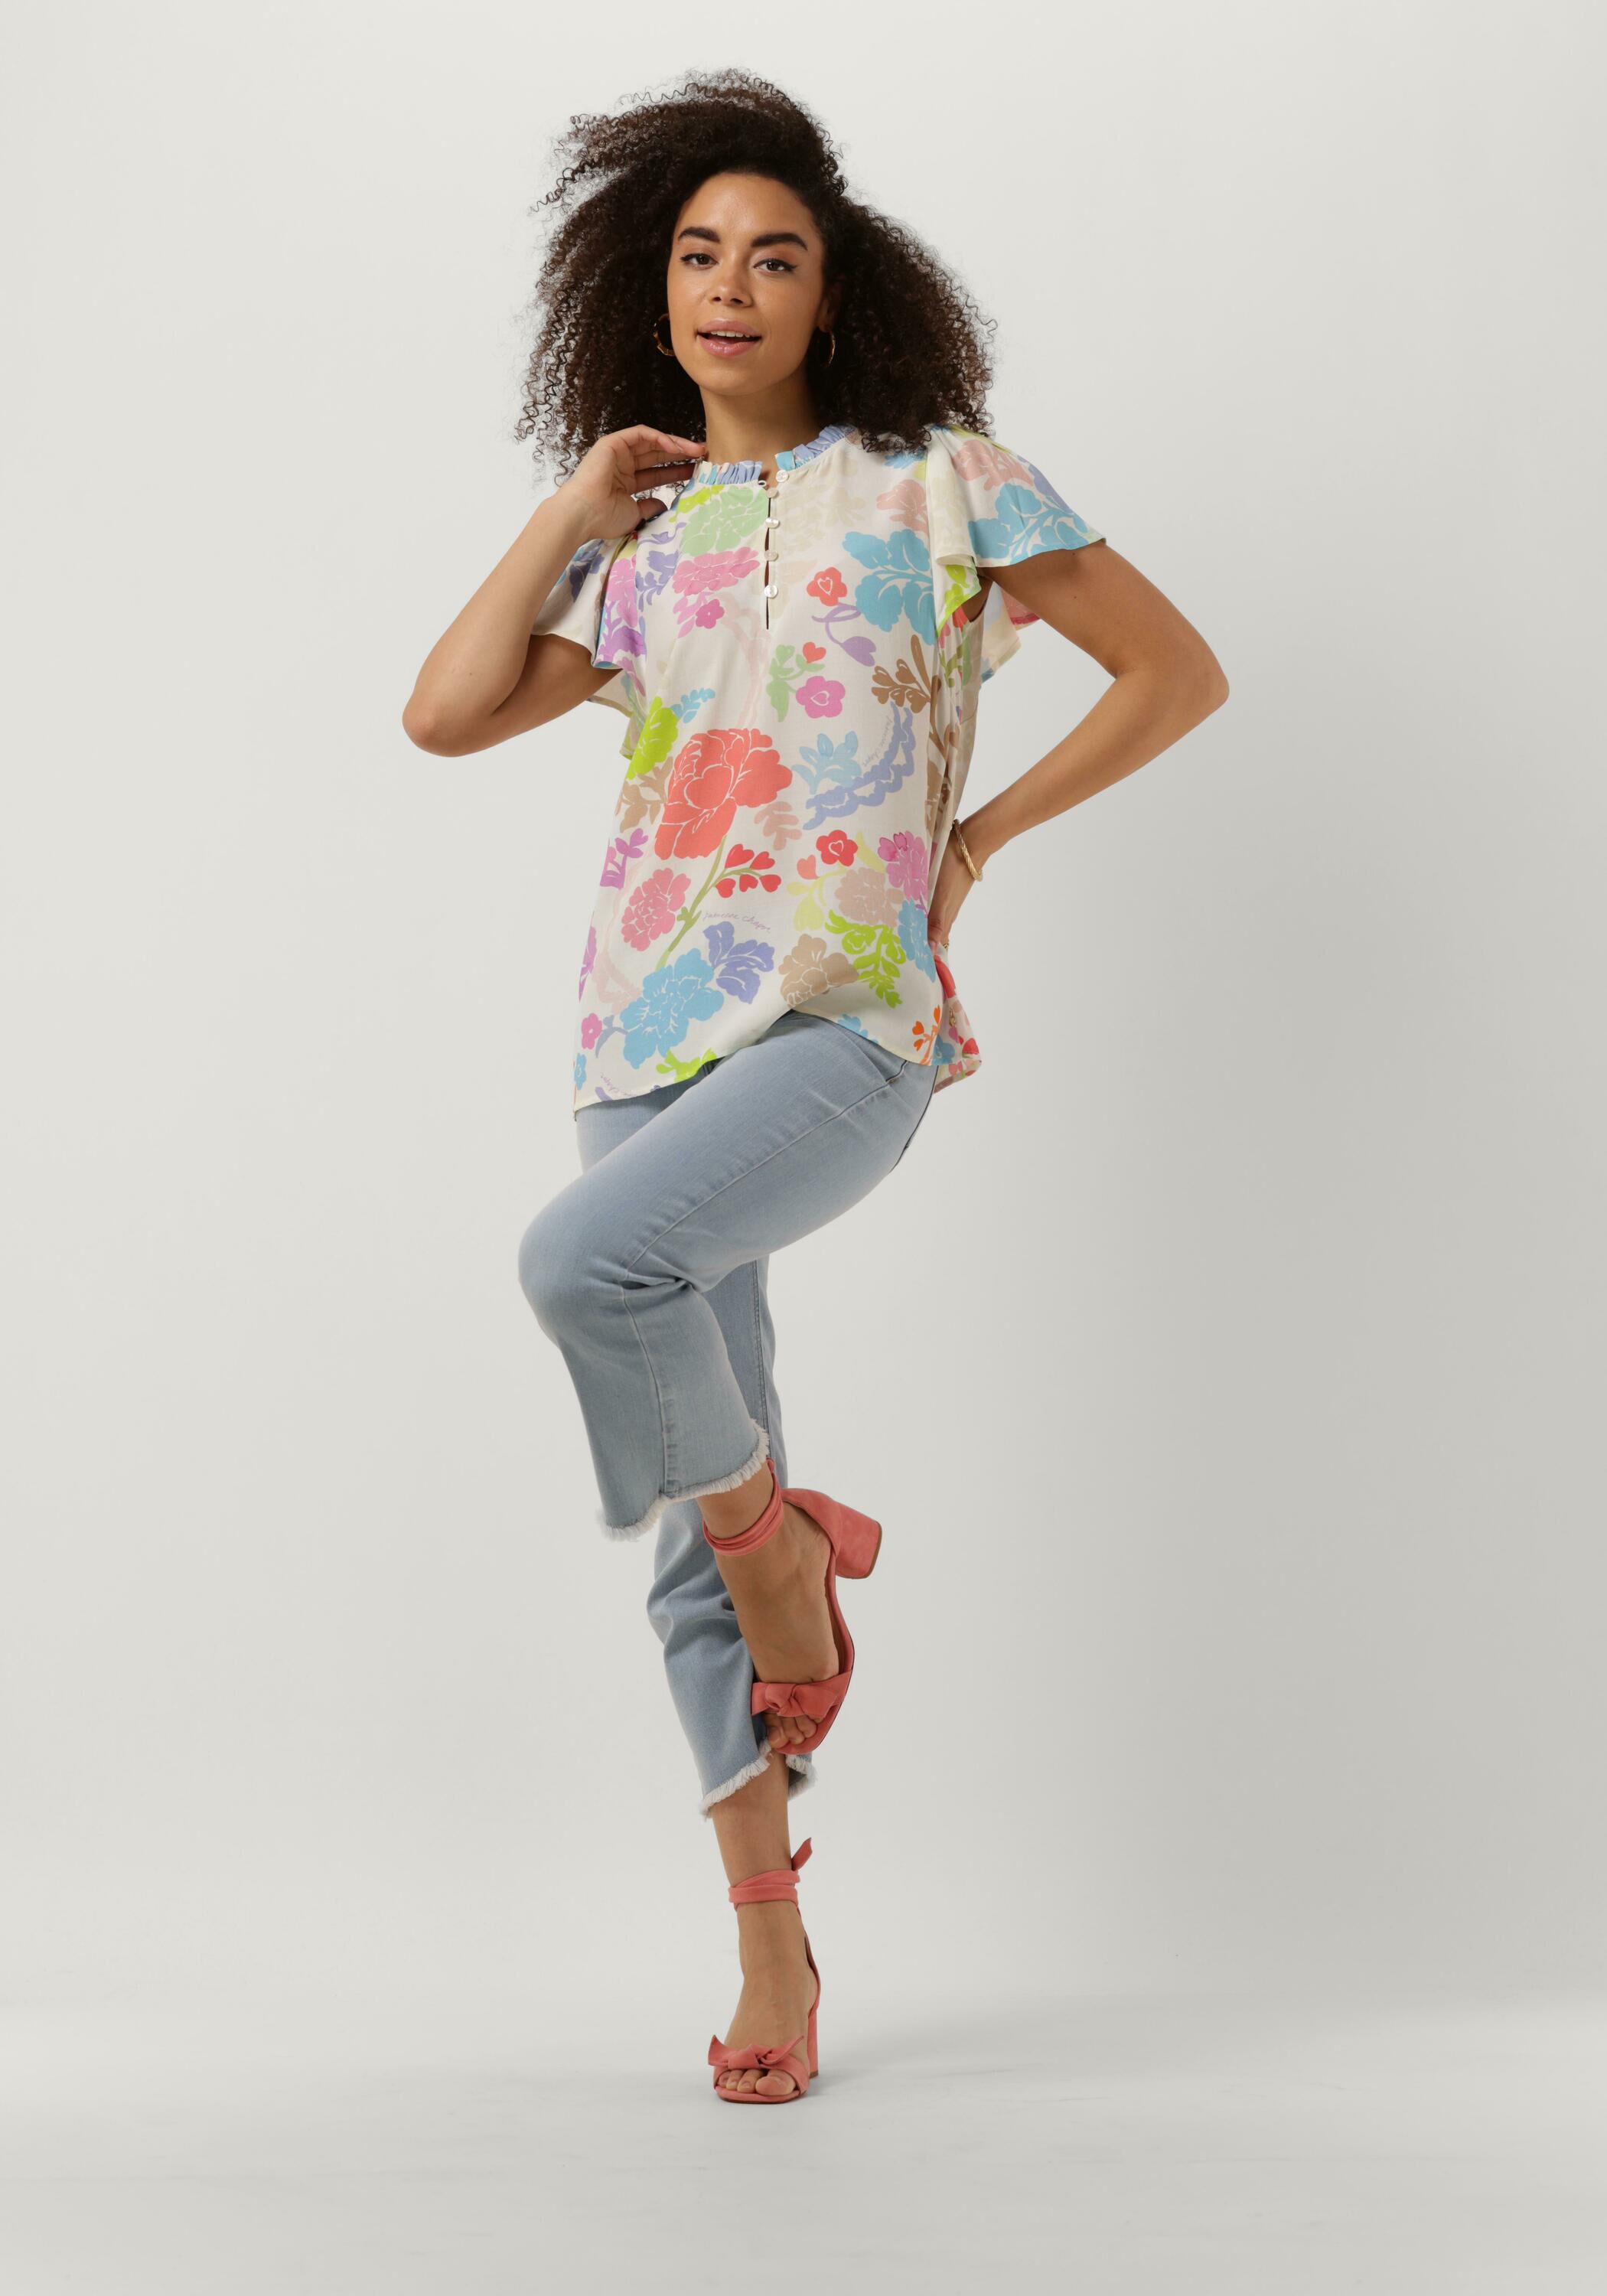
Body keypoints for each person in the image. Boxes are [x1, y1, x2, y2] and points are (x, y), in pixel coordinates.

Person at [403, 68, 1228, 2104]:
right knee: (683, 1517)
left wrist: (981, 839)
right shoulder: (649, 534)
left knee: (583, 1273)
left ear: (833, 293)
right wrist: (571, 510)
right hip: (638, 1029)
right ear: (651, 289)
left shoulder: (943, 481)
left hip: (850, 1014)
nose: (731, 287)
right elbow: (442, 715)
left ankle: (786, 1545)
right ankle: (771, 1943)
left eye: (774, 257)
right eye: (698, 255)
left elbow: (1173, 670)